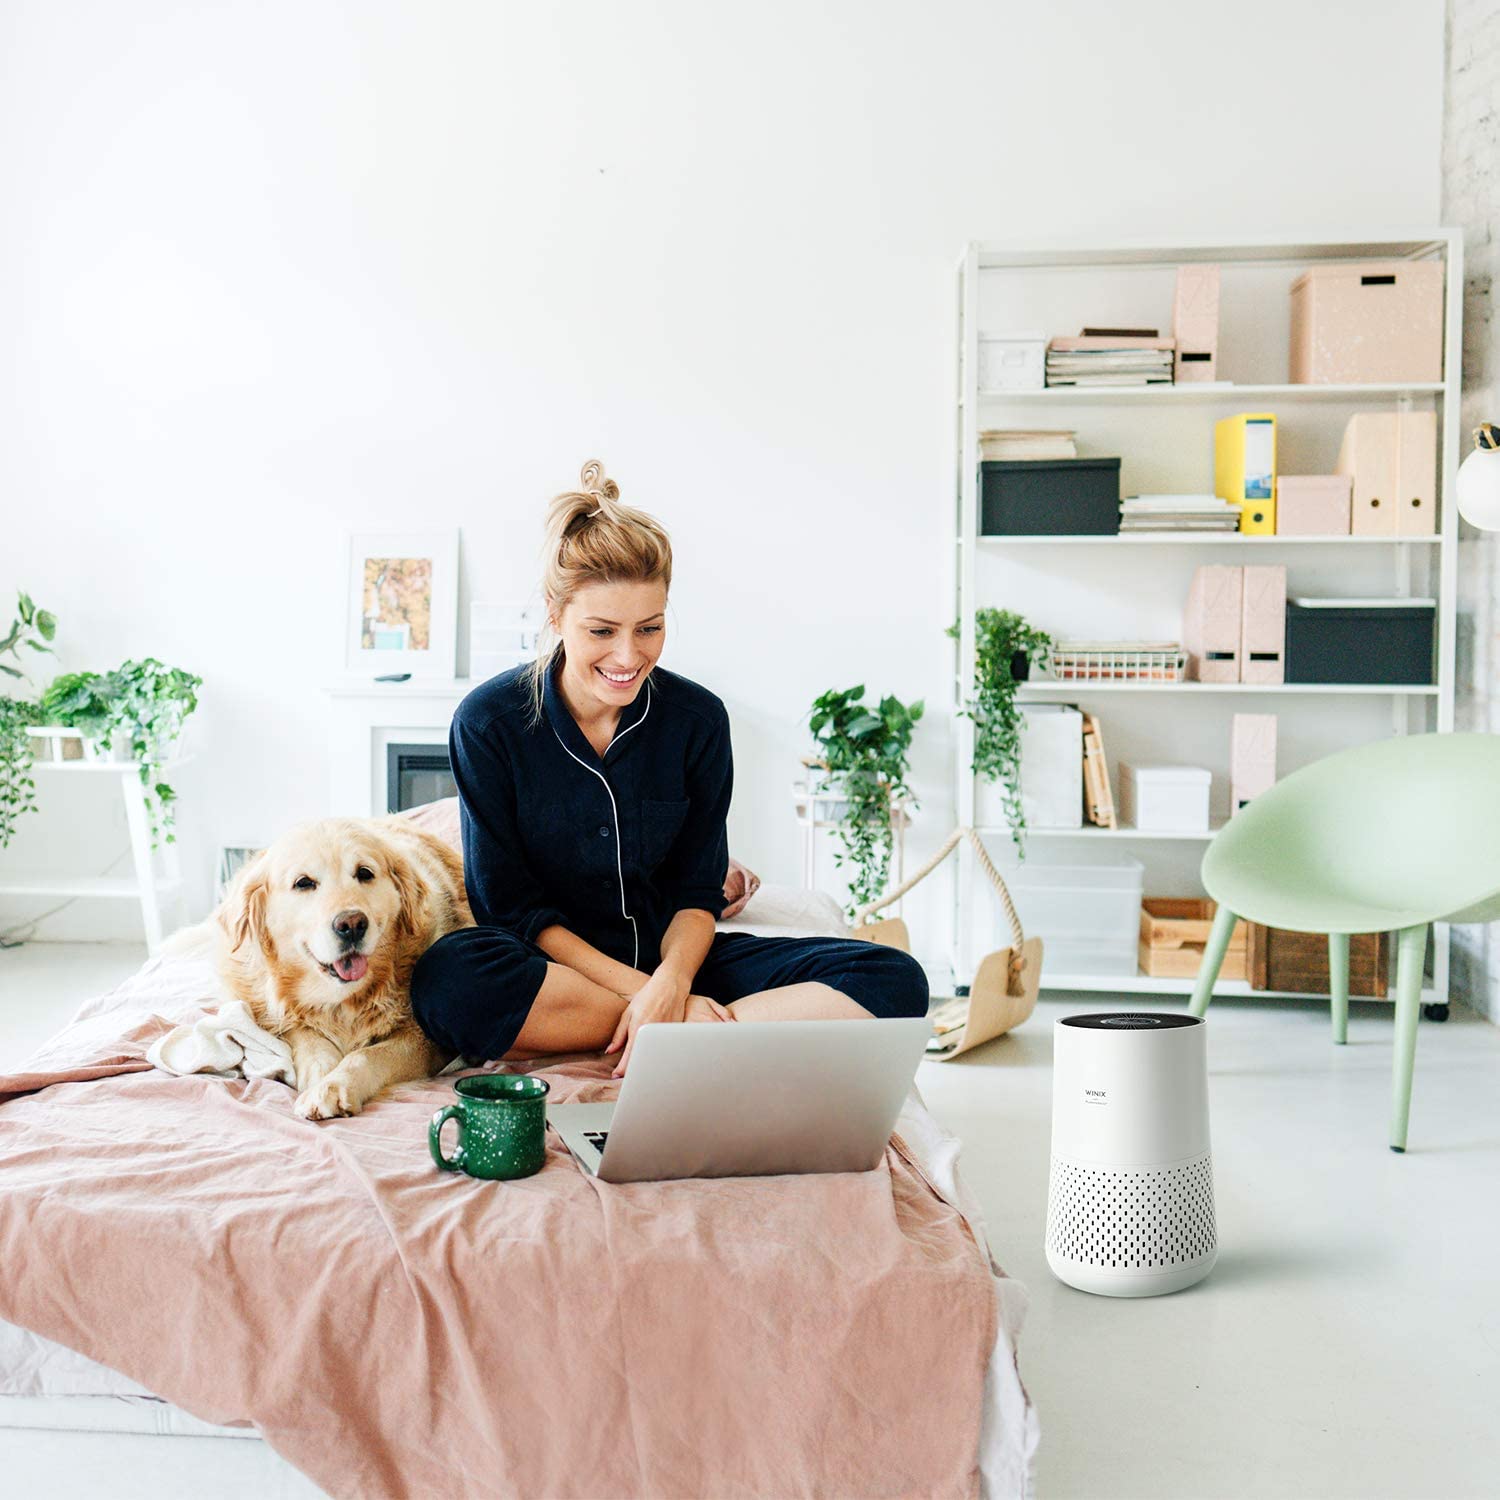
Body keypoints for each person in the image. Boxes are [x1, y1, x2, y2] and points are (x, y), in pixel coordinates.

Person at [411, 461, 928, 1077]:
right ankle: (690, 1032)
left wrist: (673, 981)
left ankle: (680, 1033)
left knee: (894, 978)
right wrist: (647, 997)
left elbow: (694, 890)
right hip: (558, 977)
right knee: (449, 980)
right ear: (555, 614)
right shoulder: (489, 723)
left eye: (650, 628)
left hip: (680, 961)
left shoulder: (698, 721)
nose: (629, 656)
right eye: (601, 630)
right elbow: (513, 910)